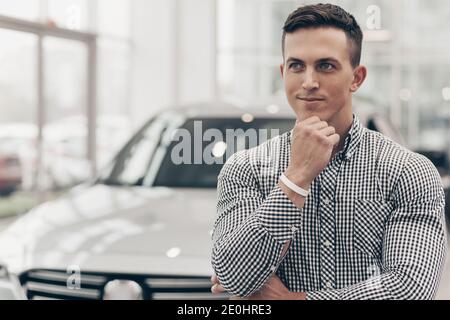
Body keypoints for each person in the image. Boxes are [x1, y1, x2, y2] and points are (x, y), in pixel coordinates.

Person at [210, 3, 447, 300]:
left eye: (326, 65)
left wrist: (296, 300)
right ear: (283, 73)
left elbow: (410, 289)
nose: (309, 82)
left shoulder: (408, 171)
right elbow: (235, 276)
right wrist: (296, 178)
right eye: (297, 66)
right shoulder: (245, 168)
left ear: (357, 78)